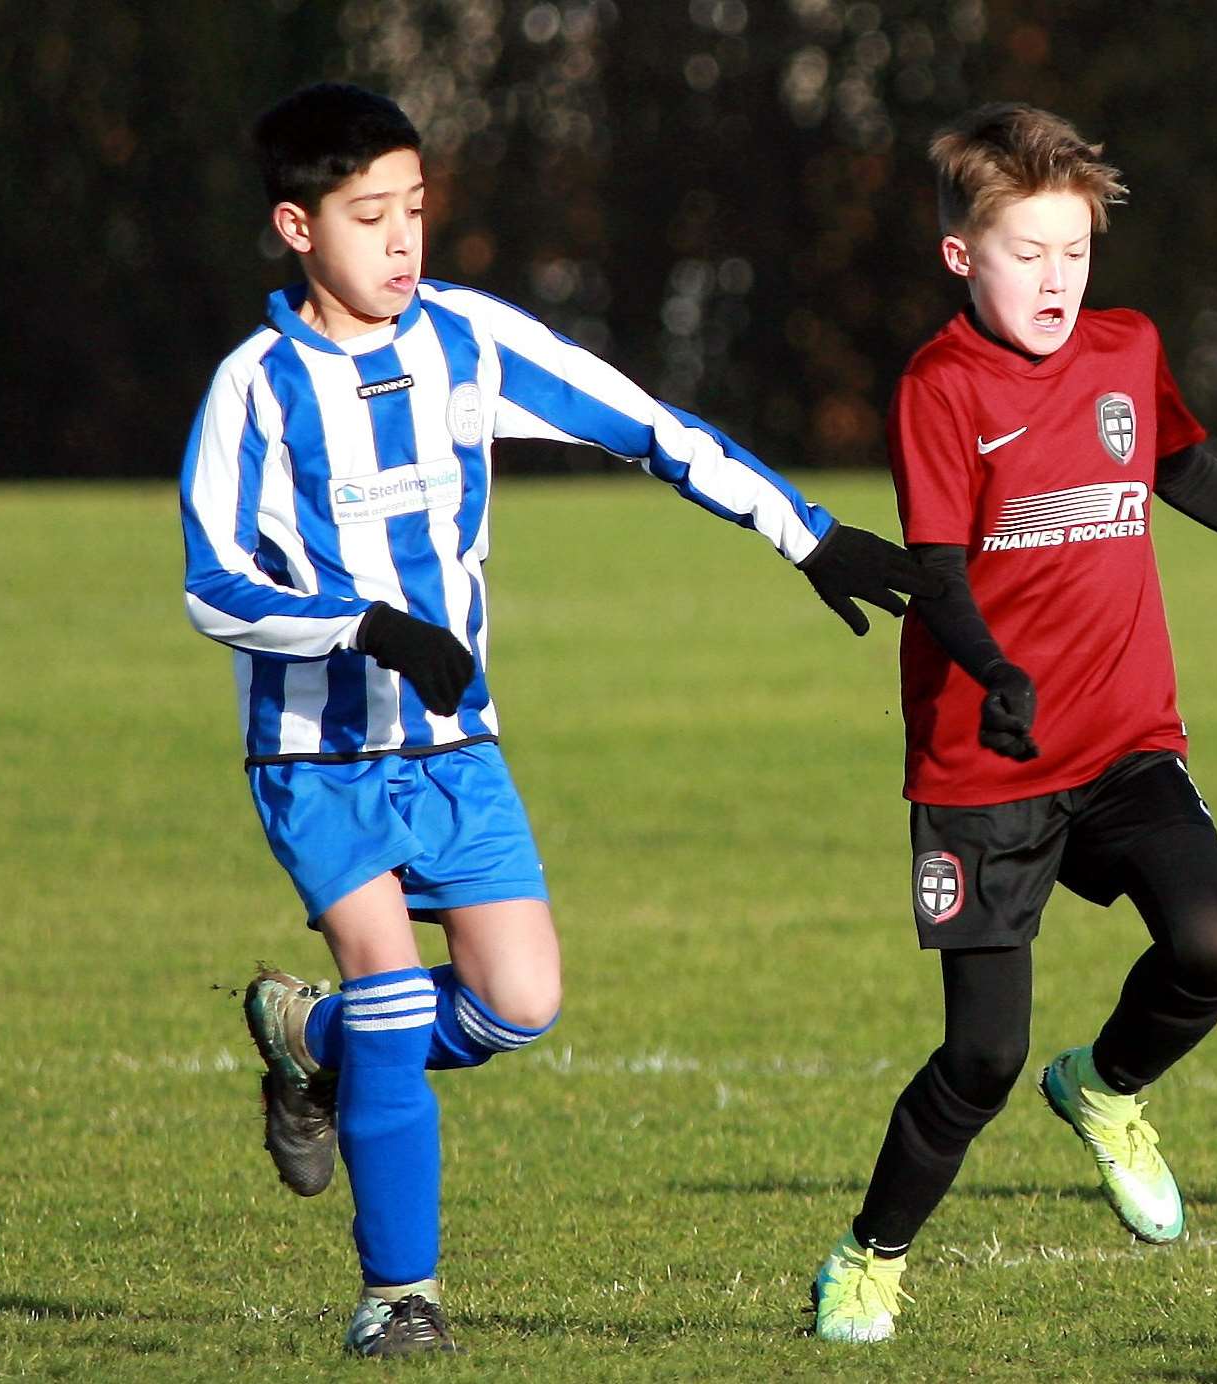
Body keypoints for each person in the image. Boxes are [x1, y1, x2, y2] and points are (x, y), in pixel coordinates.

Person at [180, 82, 935, 1359]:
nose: (404, 240)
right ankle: (398, 1297)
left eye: (416, 209)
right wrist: (363, 627)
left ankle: (302, 1038)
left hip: (459, 741)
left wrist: (804, 533)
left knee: (519, 1000)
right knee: (381, 977)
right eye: (371, 217)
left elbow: (645, 425)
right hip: (322, 756)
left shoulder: (467, 339)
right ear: (297, 228)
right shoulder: (254, 389)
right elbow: (212, 584)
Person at [808, 103, 1217, 1344]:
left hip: (1127, 739)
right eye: (1028, 251)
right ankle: (868, 1257)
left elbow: (1181, 467)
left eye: (1074, 250)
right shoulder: (940, 384)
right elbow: (939, 571)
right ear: (963, 256)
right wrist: (992, 672)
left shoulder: (1126, 349)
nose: (1057, 278)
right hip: (985, 764)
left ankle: (1109, 1087)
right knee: (979, 1060)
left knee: (1213, 943)